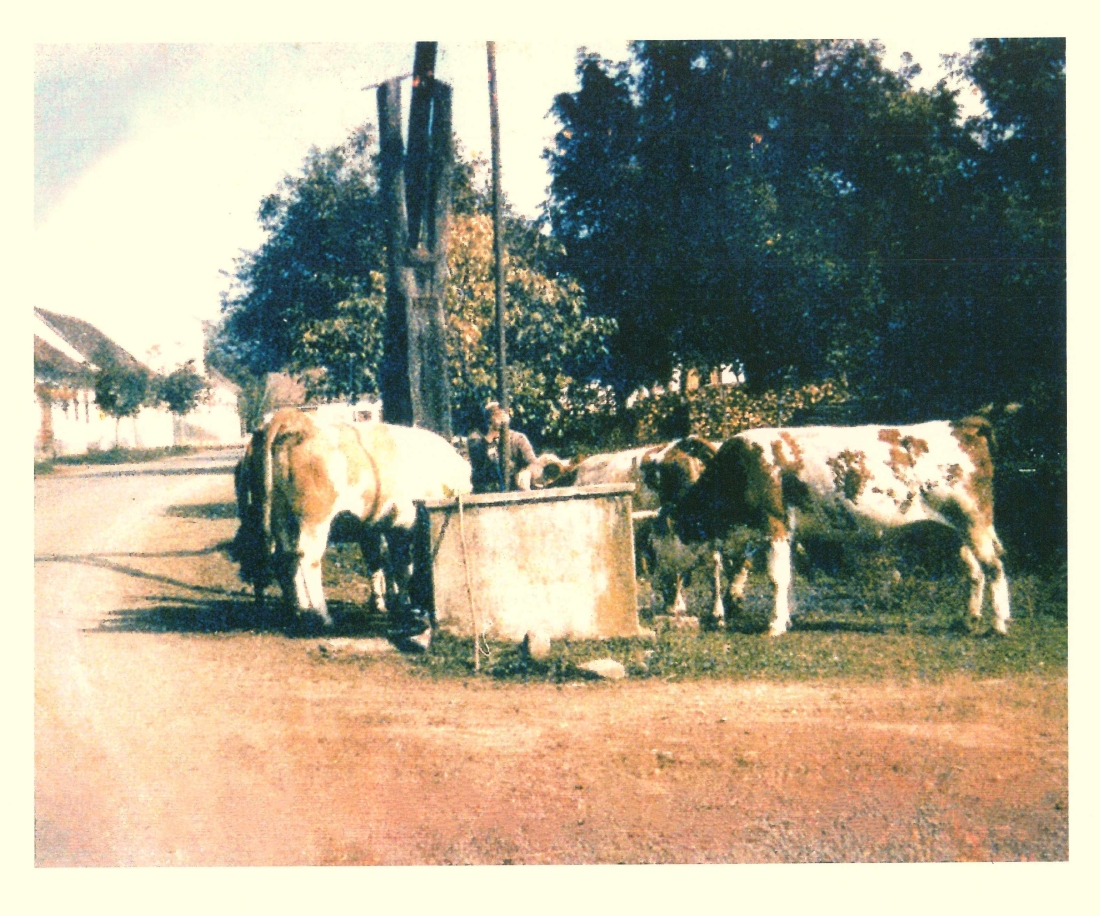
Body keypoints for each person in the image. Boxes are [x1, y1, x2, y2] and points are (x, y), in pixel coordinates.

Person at [469, 401, 539, 492]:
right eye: (497, 414)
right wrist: (490, 437)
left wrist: (527, 472)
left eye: (503, 414)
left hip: (516, 491)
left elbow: (534, 463)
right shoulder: (478, 443)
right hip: (488, 493)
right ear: (489, 419)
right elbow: (477, 466)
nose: (501, 417)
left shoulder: (518, 439)